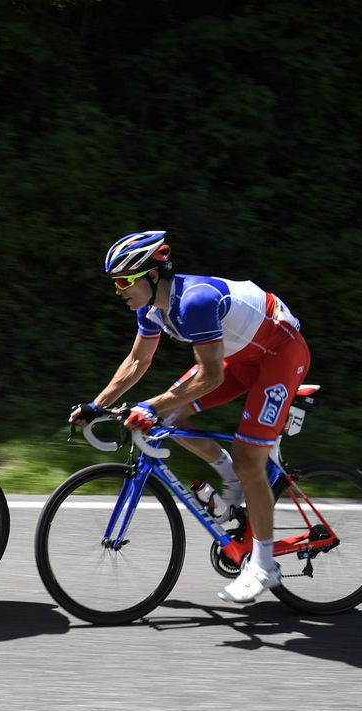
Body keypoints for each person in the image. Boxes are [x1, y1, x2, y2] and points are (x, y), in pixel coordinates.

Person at [70, 230, 310, 603]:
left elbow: (210, 376)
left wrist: (150, 406)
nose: (118, 291)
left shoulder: (194, 302)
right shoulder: (152, 309)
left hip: (279, 356)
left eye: (122, 281)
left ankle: (263, 566)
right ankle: (232, 484)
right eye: (114, 283)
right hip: (243, 356)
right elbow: (137, 361)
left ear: (152, 275)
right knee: (172, 417)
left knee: (250, 459)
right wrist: (96, 404)